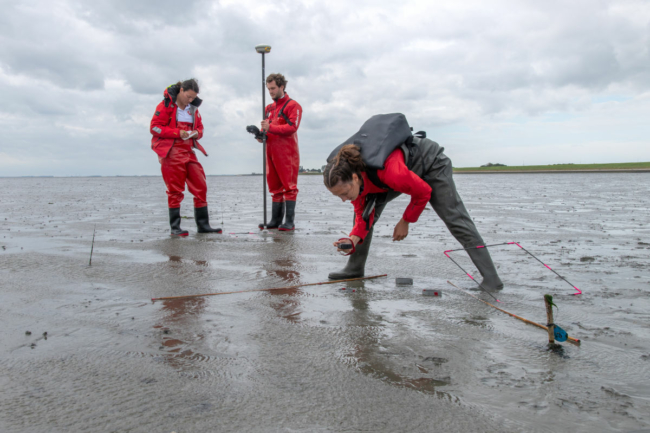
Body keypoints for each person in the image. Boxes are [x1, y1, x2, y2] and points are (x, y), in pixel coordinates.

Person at [323, 113, 503, 291]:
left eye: (345, 193)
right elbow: (364, 219)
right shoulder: (356, 183)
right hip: (389, 176)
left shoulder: (393, 173)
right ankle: (354, 268)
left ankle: (491, 279)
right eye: (338, 196)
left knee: (455, 218)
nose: (344, 200)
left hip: (430, 163)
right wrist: (352, 241)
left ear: (355, 178)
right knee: (363, 216)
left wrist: (405, 221)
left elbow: (423, 192)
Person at [150, 79, 222, 236]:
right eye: (188, 96)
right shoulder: (166, 106)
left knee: (200, 186)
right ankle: (175, 228)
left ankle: (203, 226)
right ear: (181, 90)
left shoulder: (193, 109)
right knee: (175, 190)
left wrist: (197, 133)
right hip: (171, 151)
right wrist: (177, 133)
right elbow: (154, 128)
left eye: (193, 97)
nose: (190, 100)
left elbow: (200, 129)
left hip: (189, 149)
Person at [258, 73, 302, 231]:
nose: (270, 91)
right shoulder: (268, 108)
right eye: (268, 89)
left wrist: (270, 128)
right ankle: (275, 220)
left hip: (287, 153)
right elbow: (266, 131)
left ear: (282, 87)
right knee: (275, 188)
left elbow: (292, 127)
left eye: (273, 88)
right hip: (270, 150)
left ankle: (289, 222)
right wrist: (259, 135)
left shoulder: (293, 105)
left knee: (289, 187)